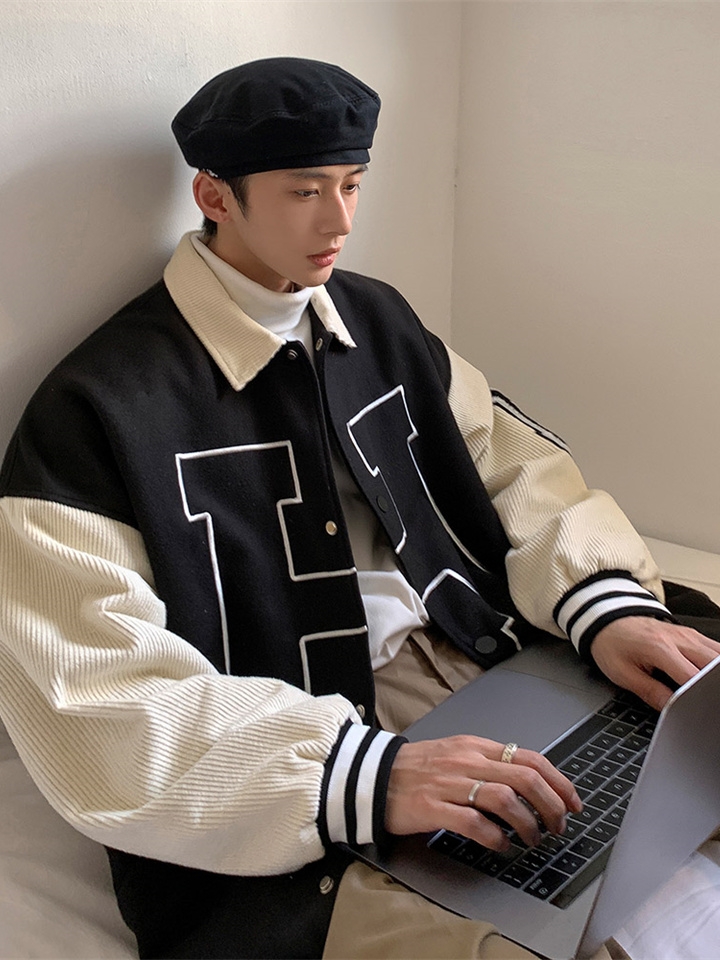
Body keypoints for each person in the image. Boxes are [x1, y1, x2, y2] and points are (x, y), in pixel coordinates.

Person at [0, 57, 718, 960]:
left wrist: (603, 606)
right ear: (214, 196)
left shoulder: (378, 321)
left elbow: (514, 464)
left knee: (688, 776)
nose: (338, 221)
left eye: (351, 185)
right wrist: (365, 777)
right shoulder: (98, 408)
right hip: (309, 738)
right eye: (305, 191)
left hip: (497, 644)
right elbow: (92, 693)